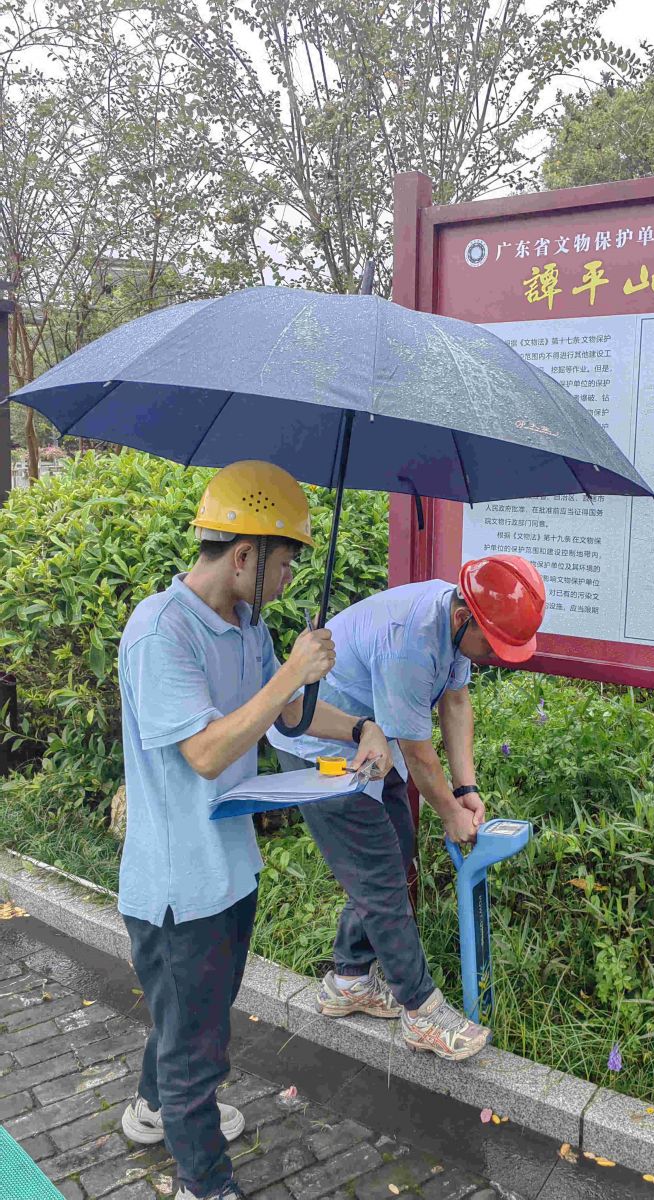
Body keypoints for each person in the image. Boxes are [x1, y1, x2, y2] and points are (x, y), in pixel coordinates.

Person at [116, 460, 392, 1200]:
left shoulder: (248, 625)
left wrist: (359, 725)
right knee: (197, 1048)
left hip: (230, 867)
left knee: (190, 1017)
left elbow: (289, 714)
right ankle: (204, 1183)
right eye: (286, 561)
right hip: (178, 885)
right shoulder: (160, 632)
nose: (291, 578)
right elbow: (206, 752)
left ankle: (153, 1110)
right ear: (244, 555)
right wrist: (289, 673)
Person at [268, 553, 546, 1062]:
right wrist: (451, 815)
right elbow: (418, 752)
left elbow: (456, 701)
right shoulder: (411, 643)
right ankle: (420, 1011)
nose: (495, 657)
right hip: (319, 738)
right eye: (492, 645)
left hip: (374, 735)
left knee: (395, 853)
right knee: (378, 870)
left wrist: (465, 789)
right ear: (463, 617)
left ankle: (350, 979)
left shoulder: (454, 622)